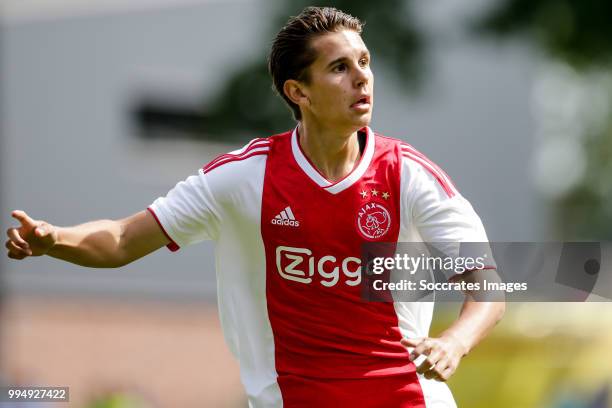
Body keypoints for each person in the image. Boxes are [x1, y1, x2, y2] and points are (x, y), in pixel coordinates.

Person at [5, 6, 505, 408]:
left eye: (365, 62)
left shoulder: (410, 175)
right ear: (298, 92)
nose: (362, 78)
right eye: (340, 67)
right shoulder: (243, 177)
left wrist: (454, 342)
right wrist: (56, 240)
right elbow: (122, 240)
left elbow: (488, 287)